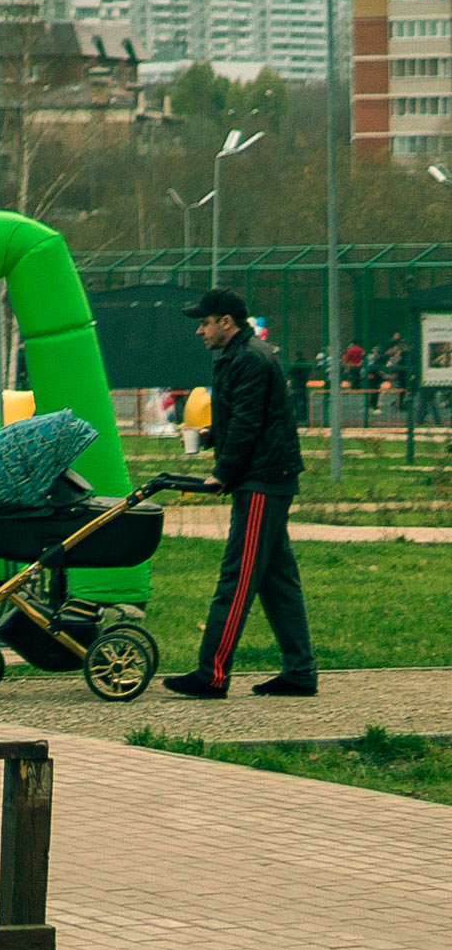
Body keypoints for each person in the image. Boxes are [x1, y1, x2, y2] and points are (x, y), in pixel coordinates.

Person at [167, 288, 315, 699]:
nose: (200, 331)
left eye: (204, 323)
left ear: (226, 322)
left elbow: (250, 424)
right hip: (268, 476)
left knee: (237, 580)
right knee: (277, 580)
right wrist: (212, 437)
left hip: (262, 481)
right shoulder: (240, 355)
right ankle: (300, 672)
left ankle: (212, 675)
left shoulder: (249, 358)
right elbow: (247, 419)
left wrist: (222, 473)